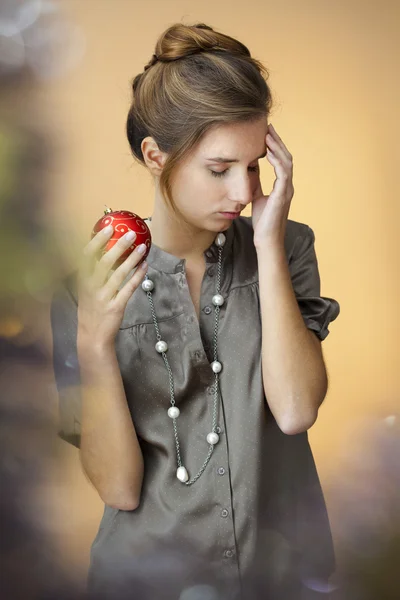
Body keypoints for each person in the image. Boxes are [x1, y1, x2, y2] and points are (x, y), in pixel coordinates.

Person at [50, 22, 340, 600]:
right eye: (219, 169)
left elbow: (295, 410)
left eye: (255, 165)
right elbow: (120, 490)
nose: (243, 191)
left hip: (282, 579)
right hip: (147, 582)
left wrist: (267, 245)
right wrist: (93, 344)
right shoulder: (92, 282)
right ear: (156, 156)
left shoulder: (285, 245)